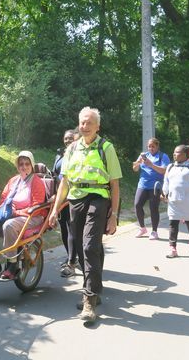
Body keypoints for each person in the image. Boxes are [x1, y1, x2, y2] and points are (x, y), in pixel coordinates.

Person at [47, 107, 121, 323]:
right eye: (82, 122)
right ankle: (95, 287)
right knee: (82, 247)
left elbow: (115, 184)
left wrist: (113, 214)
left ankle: (89, 299)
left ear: (98, 126)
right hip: (75, 199)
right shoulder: (71, 149)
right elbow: (64, 182)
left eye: (89, 123)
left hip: (98, 198)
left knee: (89, 247)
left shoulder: (106, 148)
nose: (85, 126)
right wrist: (54, 210)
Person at [0, 151, 46, 281]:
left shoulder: (36, 182)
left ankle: (12, 264)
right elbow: (3, 199)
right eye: (21, 164)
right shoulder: (13, 180)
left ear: (32, 165)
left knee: (9, 225)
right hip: (13, 215)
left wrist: (17, 212)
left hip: (32, 216)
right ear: (17, 165)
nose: (24, 166)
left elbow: (37, 206)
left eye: (27, 164)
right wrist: (7, 208)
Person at [162, 145, 189, 258]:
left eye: (178, 153)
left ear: (186, 155)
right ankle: (173, 248)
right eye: (174, 152)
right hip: (173, 200)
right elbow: (166, 181)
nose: (175, 154)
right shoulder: (170, 167)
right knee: (173, 223)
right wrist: (164, 193)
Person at [52, 130, 79, 277]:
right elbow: (54, 175)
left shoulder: (77, 154)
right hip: (60, 197)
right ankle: (70, 256)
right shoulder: (59, 155)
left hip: (73, 197)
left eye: (70, 138)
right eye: (65, 138)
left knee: (73, 228)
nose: (68, 140)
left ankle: (72, 260)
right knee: (63, 228)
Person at [132, 138, 170, 240]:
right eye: (149, 146)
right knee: (137, 205)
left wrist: (151, 165)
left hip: (155, 186)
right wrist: (138, 163)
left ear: (157, 146)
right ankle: (142, 228)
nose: (151, 148)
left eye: (153, 146)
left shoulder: (163, 156)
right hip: (143, 184)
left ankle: (154, 231)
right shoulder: (144, 155)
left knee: (153, 208)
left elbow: (164, 171)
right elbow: (135, 169)